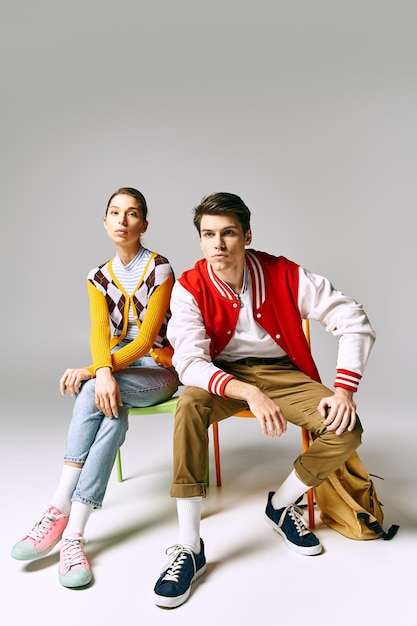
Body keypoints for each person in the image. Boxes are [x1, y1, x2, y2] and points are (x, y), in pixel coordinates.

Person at [153, 192, 376, 608]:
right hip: (224, 376)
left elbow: (354, 320)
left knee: (347, 429)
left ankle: (281, 503)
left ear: (247, 235)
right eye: (208, 235)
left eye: (228, 233)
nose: (218, 244)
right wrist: (248, 393)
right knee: (188, 407)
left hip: (283, 373)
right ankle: (189, 547)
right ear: (200, 241)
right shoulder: (188, 286)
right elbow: (188, 363)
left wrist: (344, 389)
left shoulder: (284, 273)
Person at [11, 187, 179, 588]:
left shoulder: (161, 270)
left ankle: (57, 508)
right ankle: (73, 534)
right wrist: (102, 370)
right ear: (105, 223)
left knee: (94, 391)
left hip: (160, 370)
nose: (122, 220)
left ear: (144, 224)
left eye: (132, 213)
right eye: (115, 213)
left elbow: (144, 341)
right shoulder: (96, 277)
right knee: (111, 412)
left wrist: (94, 371)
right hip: (119, 377)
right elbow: (100, 332)